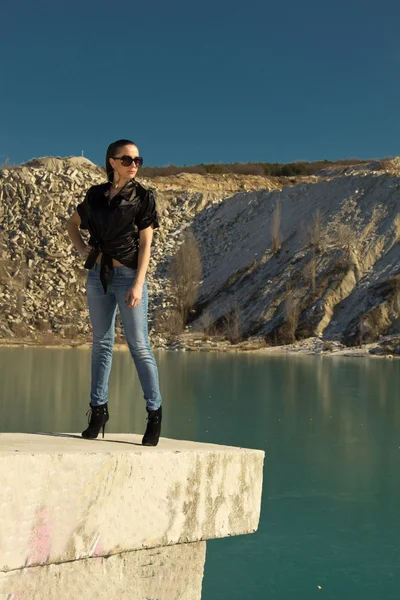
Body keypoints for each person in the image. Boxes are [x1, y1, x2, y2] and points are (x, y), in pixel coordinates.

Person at [66, 139, 163, 446]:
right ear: (112, 162)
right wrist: (82, 247)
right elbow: (73, 224)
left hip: (129, 277)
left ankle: (154, 413)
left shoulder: (143, 196)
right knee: (101, 345)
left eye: (138, 160)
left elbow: (146, 244)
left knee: (139, 346)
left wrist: (138, 283)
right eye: (127, 159)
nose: (134, 164)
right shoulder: (95, 195)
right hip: (97, 276)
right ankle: (98, 410)